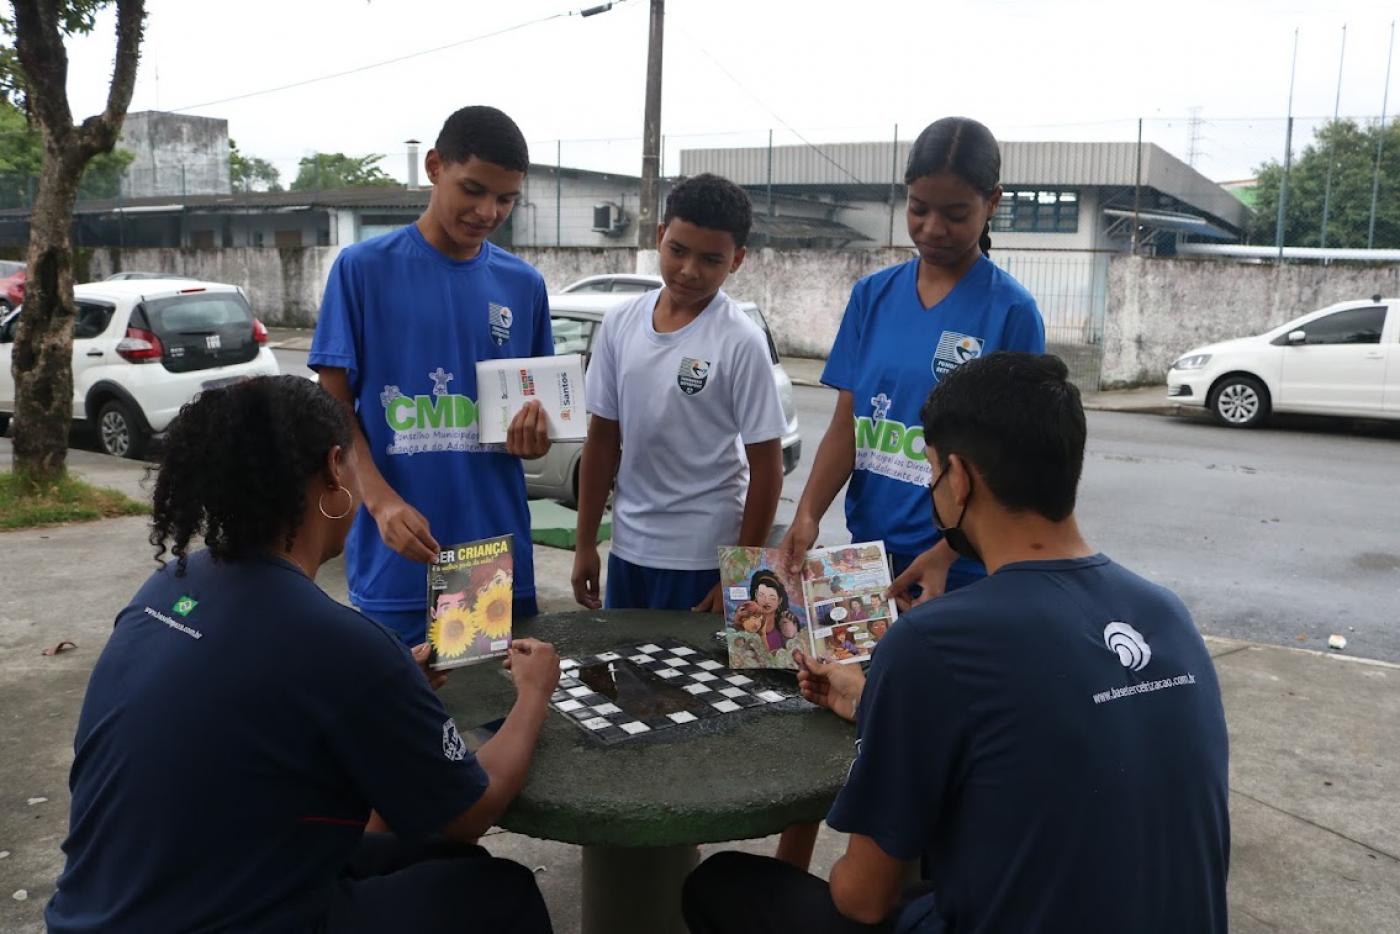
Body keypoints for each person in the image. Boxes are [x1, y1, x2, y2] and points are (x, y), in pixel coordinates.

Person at [683, 353, 1230, 934]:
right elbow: (1043, 730)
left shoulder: (935, 641)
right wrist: (872, 702)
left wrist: (902, 696)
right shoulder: (1166, 614)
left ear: (960, 479)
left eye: (932, 471)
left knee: (723, 884)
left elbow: (862, 899)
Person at [45, 376, 560, 934]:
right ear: (336, 470)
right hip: (221, 915)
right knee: (502, 892)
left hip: (95, 912)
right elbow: (469, 814)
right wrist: (533, 694)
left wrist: (384, 689)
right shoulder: (342, 645)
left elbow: (253, 710)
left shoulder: (169, 584)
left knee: (440, 864)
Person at [780, 116, 1046, 614]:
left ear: (993, 203)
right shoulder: (872, 297)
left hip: (960, 568)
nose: (933, 228)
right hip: (868, 561)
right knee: (863, 690)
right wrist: (809, 513)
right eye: (919, 209)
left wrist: (948, 552)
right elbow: (848, 425)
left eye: (956, 213)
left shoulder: (1012, 313)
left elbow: (1016, 461)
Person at [310, 105, 552, 646]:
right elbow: (332, 410)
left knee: (497, 724)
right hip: (399, 558)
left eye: (506, 198)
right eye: (473, 189)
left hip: (495, 559)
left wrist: (535, 439)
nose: (488, 211)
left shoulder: (523, 285)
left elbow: (536, 424)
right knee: (397, 725)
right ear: (435, 165)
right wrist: (379, 501)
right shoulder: (361, 270)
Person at [571, 173, 786, 613]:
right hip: (628, 548)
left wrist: (742, 575)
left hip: (703, 557)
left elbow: (768, 467)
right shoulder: (620, 324)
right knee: (628, 677)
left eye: (711, 259)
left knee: (687, 682)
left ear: (738, 259)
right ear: (659, 237)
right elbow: (603, 439)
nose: (689, 270)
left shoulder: (740, 341)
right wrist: (585, 542)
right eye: (677, 251)